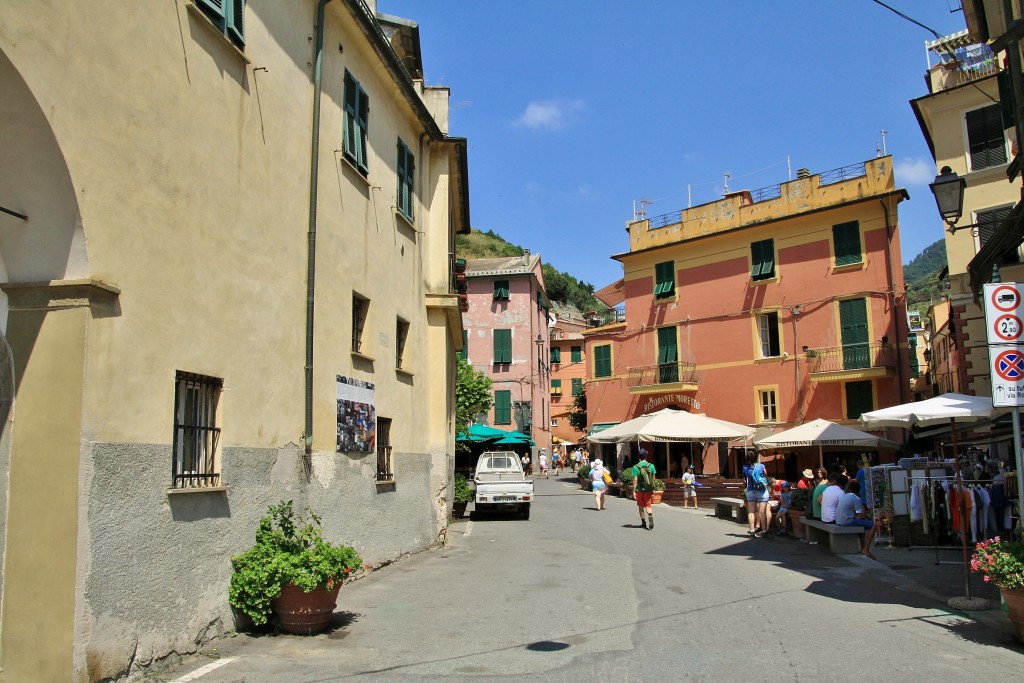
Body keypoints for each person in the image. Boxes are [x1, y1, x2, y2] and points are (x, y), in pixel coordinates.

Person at [835, 480, 882, 558]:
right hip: (847, 521)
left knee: (861, 525)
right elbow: (860, 516)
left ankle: (863, 546)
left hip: (839, 520)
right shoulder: (856, 498)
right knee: (873, 525)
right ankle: (866, 549)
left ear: (849, 489)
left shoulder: (845, 495)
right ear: (859, 490)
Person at [743, 451, 771, 538]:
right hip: (762, 491)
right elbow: (766, 476)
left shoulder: (745, 467)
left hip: (751, 490)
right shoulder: (761, 466)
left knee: (751, 512)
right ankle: (764, 530)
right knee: (762, 512)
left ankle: (751, 530)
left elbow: (746, 477)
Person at [630, 449, 657, 530]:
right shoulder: (651, 466)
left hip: (639, 489)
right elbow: (653, 478)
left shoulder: (635, 467)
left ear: (639, 457)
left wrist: (634, 490)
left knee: (641, 506)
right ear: (646, 456)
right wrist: (653, 488)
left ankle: (643, 522)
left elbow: (635, 479)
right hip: (648, 489)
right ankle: (650, 515)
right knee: (648, 505)